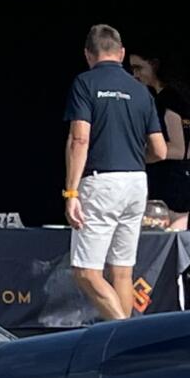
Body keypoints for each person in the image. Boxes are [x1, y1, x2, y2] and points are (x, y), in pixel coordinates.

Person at [63, 24, 168, 320]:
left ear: (88, 55)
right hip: (136, 182)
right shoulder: (141, 90)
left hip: (101, 182)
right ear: (121, 53)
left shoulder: (85, 83)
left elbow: (79, 139)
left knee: (86, 272)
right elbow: (159, 151)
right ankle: (128, 351)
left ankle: (126, 334)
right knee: (123, 272)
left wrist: (71, 192)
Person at [126, 53, 190, 232]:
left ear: (154, 65)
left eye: (139, 68)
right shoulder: (180, 100)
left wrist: (140, 156)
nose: (135, 75)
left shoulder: (166, 101)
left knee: (160, 244)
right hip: (181, 182)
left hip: (167, 187)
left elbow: (177, 148)